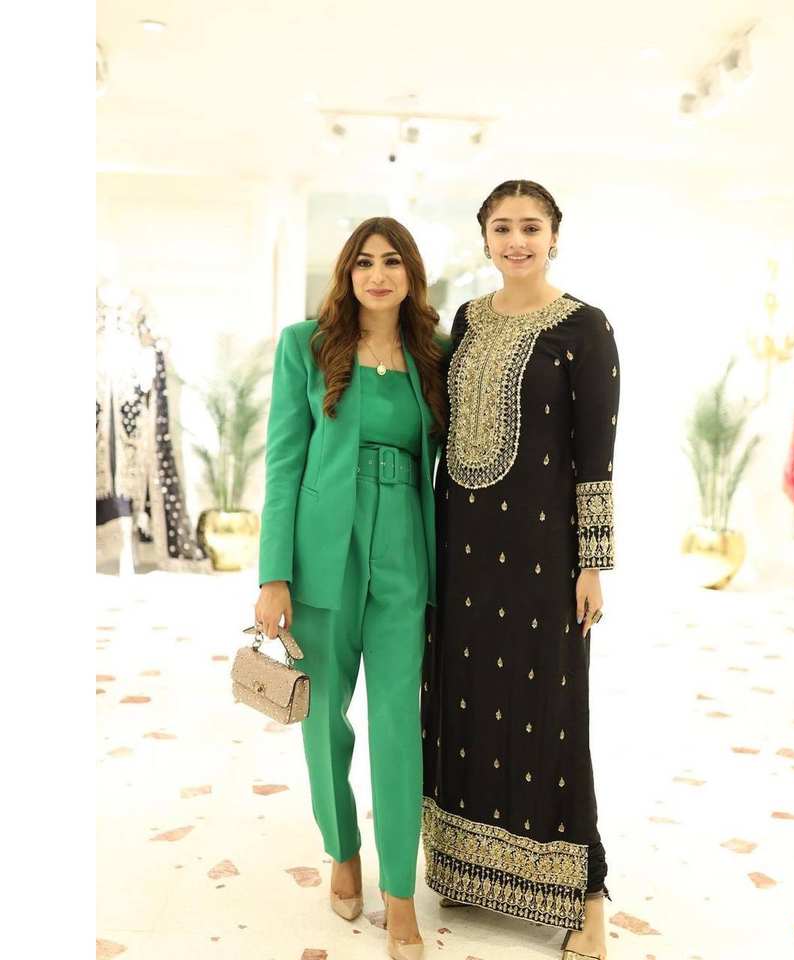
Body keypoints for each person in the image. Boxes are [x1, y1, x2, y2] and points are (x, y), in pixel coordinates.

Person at [420, 181, 620, 960]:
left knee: (552, 710)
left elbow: (596, 456)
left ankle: (586, 898)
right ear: (484, 239)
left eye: (531, 227)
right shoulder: (467, 320)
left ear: (555, 236)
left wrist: (592, 563)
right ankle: (472, 871)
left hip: (542, 556)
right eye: (502, 228)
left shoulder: (585, 328)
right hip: (461, 550)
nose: (517, 241)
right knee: (463, 700)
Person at [255, 216, 447, 960]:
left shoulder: (434, 353)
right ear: (347, 273)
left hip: (405, 548)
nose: (377, 274)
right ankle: (342, 848)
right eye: (364, 262)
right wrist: (274, 575)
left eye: (392, 262)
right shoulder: (304, 345)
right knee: (323, 718)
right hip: (321, 554)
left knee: (398, 722)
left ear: (411, 275)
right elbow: (282, 463)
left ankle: (399, 891)